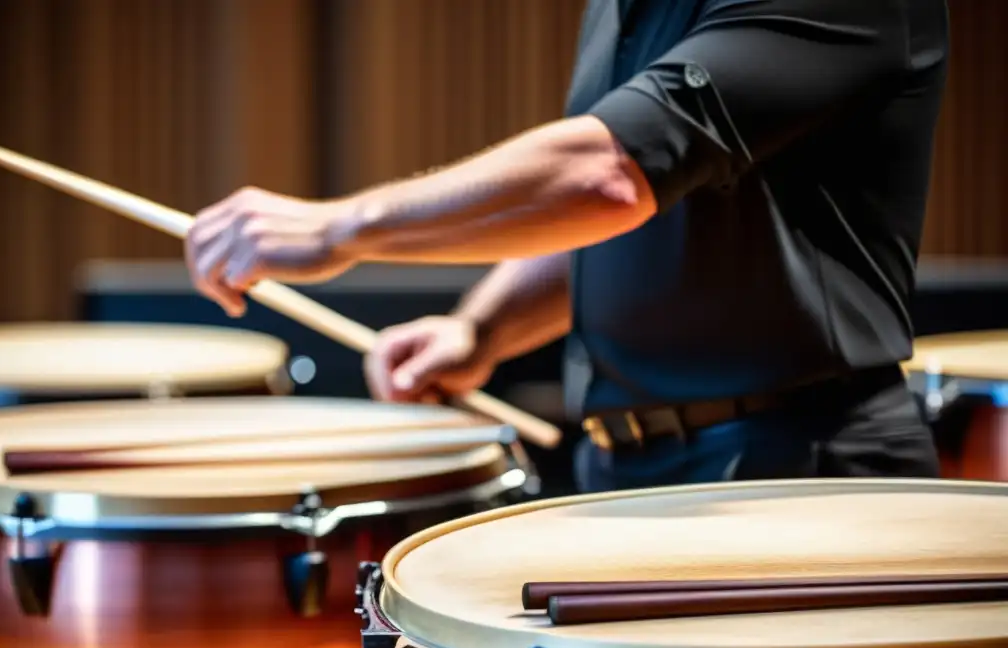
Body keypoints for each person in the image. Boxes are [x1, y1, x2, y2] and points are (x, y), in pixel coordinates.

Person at [185, 0, 950, 492]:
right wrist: (480, 331)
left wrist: (341, 227)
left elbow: (608, 174)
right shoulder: (627, 8)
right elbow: (621, 217)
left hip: (800, 469)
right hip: (625, 468)